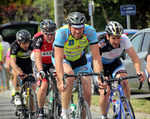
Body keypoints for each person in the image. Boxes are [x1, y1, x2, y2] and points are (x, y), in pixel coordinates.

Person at [52, 12, 103, 119]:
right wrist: (61, 81)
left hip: (79, 59)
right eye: (75, 28)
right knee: (69, 78)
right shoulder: (62, 33)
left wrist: (99, 78)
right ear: (69, 27)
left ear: (84, 26)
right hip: (63, 59)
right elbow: (58, 59)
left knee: (88, 91)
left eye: (80, 28)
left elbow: (96, 57)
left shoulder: (90, 31)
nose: (78, 31)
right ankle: (65, 113)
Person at [97, 21, 145, 119]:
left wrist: (139, 71)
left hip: (114, 62)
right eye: (113, 38)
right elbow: (96, 62)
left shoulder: (124, 39)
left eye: (118, 38)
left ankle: (126, 110)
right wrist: (101, 77)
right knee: (105, 92)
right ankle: (104, 115)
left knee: (124, 81)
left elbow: (135, 58)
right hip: (101, 65)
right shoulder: (100, 43)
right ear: (107, 36)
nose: (116, 41)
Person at [30, 19, 56, 119]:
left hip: (52, 62)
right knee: (44, 85)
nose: (50, 36)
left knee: (60, 81)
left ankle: (58, 104)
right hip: (40, 63)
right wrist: (40, 71)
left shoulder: (57, 37)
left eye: (52, 34)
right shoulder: (38, 38)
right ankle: (40, 112)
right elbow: (37, 57)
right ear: (42, 32)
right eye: (47, 34)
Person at [10, 30, 35, 106]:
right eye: (24, 43)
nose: (26, 45)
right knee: (15, 73)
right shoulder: (14, 45)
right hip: (18, 64)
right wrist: (19, 72)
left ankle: (32, 112)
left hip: (29, 64)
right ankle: (17, 94)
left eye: (27, 42)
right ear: (18, 42)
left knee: (32, 90)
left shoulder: (32, 44)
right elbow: (12, 62)